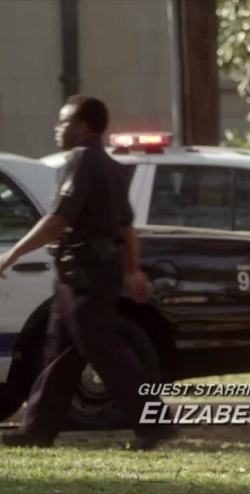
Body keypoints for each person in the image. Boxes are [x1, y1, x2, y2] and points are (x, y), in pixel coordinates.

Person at [0, 95, 174, 450]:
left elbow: (57, 221)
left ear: (83, 128)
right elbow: (126, 228)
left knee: (104, 350)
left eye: (63, 122)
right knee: (59, 352)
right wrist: (133, 271)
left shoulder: (82, 160)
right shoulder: (110, 166)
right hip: (83, 276)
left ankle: (154, 423)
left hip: (87, 277)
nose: (57, 128)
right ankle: (39, 428)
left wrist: (12, 254)